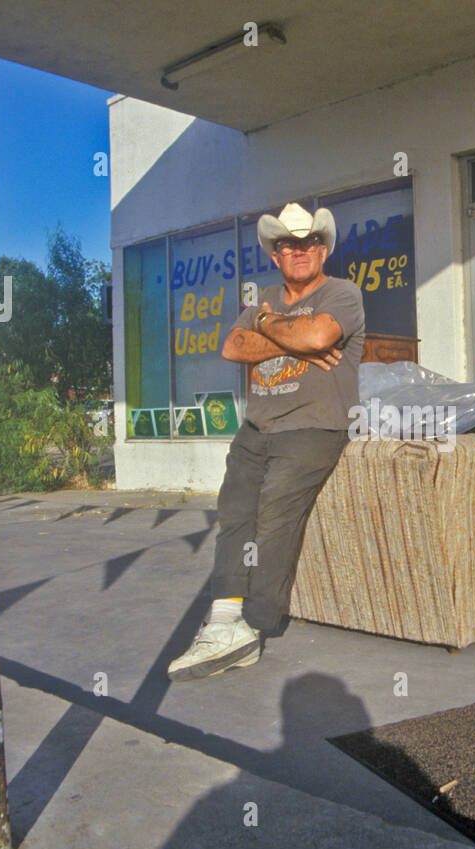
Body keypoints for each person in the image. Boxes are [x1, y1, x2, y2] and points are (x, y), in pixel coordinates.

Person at [168, 202, 365, 681]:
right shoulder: (262, 299)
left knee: (275, 515)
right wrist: (285, 333)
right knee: (235, 514)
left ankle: (253, 628)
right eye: (289, 245)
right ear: (275, 256)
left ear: (323, 250)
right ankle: (222, 619)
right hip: (257, 428)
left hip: (314, 426)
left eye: (310, 243)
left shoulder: (343, 292)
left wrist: (267, 326)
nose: (301, 251)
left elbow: (320, 333)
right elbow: (231, 347)